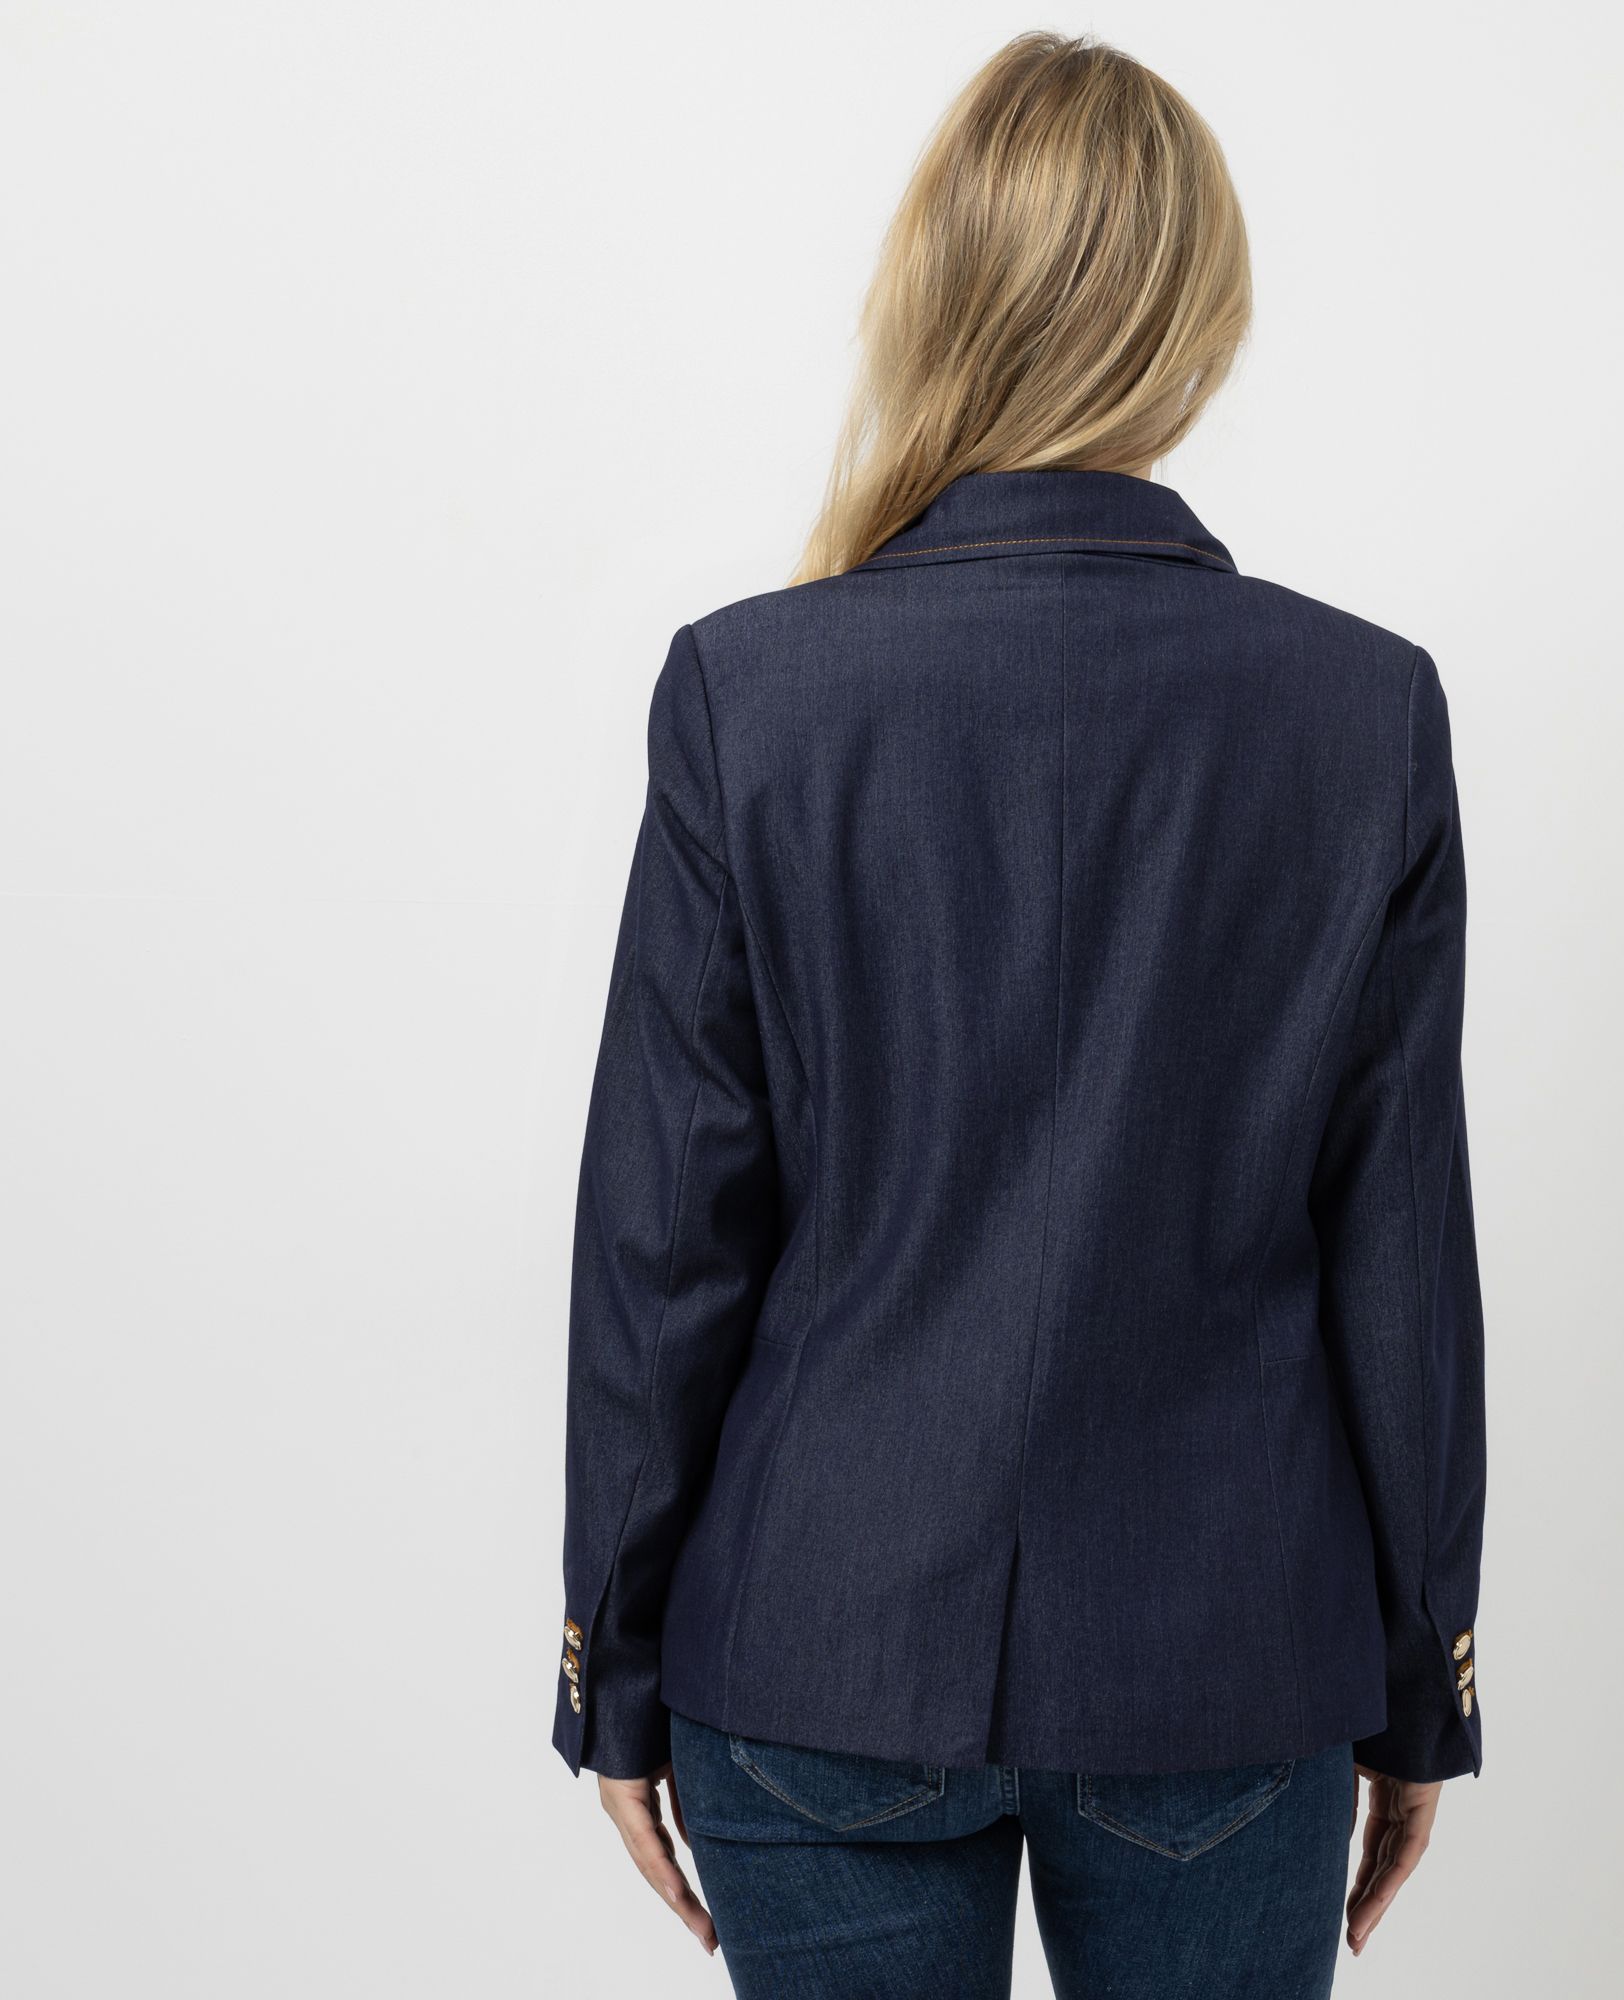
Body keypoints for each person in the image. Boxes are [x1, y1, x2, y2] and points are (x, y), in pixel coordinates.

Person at [552, 32, 1486, 1999]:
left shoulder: (752, 695)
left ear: (940, 294)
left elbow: (668, 1237)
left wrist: (606, 1667)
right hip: (1225, 1662)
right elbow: (1400, 1253)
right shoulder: (1363, 713)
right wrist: (1424, 1677)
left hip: (816, 1650)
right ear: (1198, 320)